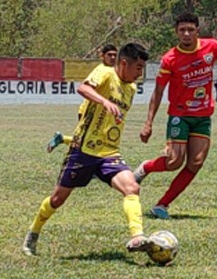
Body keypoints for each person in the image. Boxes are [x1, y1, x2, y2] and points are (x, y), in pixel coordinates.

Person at [23, 43, 151, 257]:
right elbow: (83, 88)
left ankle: (137, 236)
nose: (140, 73)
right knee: (57, 200)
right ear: (123, 63)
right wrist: (104, 101)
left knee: (132, 188)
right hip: (83, 151)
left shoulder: (131, 88)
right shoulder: (105, 73)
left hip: (109, 152)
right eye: (138, 67)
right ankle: (33, 233)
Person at [133, 12, 217, 219]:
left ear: (197, 31)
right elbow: (158, 91)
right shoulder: (170, 59)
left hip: (203, 116)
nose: (186, 34)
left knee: (195, 163)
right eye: (182, 30)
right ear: (176, 32)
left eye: (190, 30)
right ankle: (145, 168)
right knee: (175, 162)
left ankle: (162, 205)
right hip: (180, 116)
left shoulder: (211, 48)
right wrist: (148, 123)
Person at [47, 44, 117, 152]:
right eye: (109, 55)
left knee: (90, 140)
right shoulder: (102, 70)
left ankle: (62, 139)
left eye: (115, 55)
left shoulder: (111, 71)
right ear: (102, 56)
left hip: (99, 112)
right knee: (87, 141)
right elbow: (85, 88)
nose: (112, 58)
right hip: (89, 111)